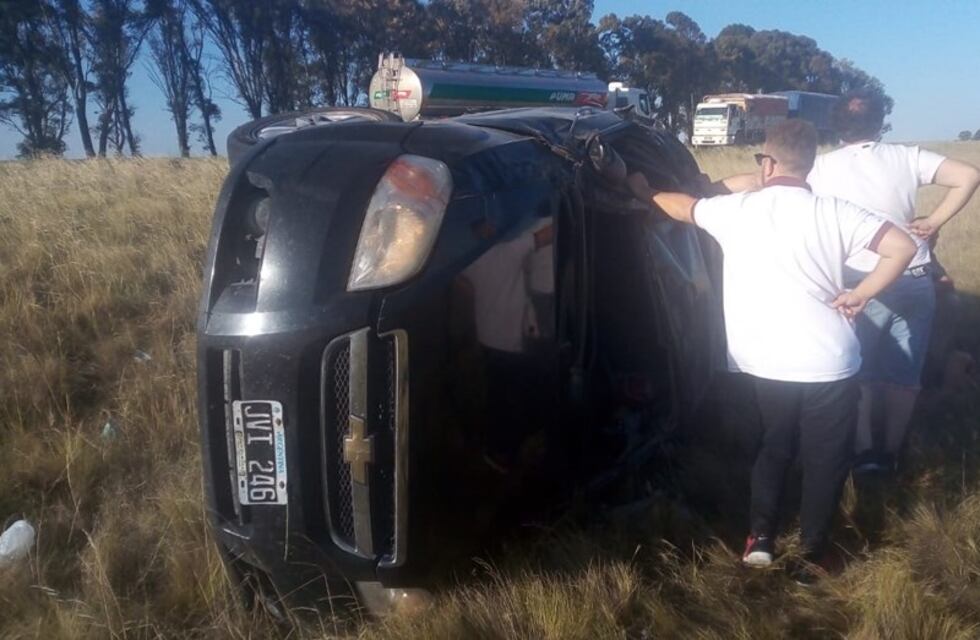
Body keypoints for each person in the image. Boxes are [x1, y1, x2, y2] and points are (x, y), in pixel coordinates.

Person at [627, 119, 916, 578]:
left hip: (760, 361)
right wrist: (862, 293)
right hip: (829, 362)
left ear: (768, 163)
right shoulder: (837, 211)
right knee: (825, 460)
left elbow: (681, 207)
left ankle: (760, 539)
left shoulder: (736, 210)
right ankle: (815, 552)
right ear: (809, 165)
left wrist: (642, 190)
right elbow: (902, 245)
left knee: (773, 448)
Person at [807, 90, 980, 472]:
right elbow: (970, 175)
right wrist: (935, 221)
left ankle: (866, 452)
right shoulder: (906, 157)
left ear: (836, 125)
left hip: (857, 280)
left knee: (862, 369)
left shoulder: (820, 167)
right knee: (904, 374)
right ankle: (893, 450)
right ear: (880, 122)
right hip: (913, 276)